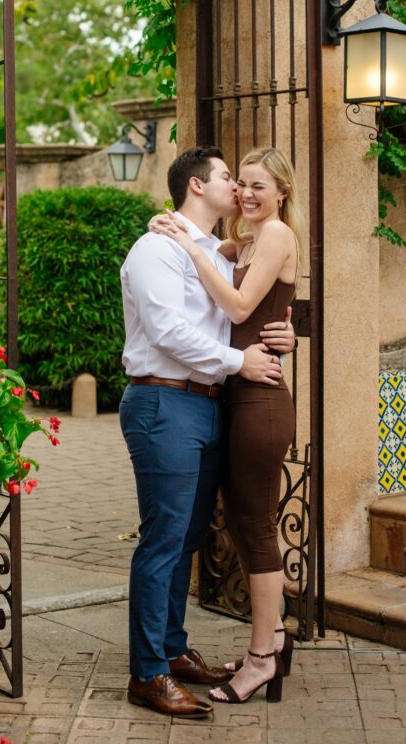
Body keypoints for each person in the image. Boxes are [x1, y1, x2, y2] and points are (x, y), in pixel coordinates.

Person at [119, 146, 295, 719]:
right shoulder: (155, 249)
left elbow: (249, 310)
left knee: (188, 537)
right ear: (198, 186)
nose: (239, 189)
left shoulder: (220, 254)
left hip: (210, 405)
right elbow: (169, 331)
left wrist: (284, 337)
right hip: (163, 401)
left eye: (250, 182)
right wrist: (237, 362)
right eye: (230, 178)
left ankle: (171, 652)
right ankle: (147, 674)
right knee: (164, 538)